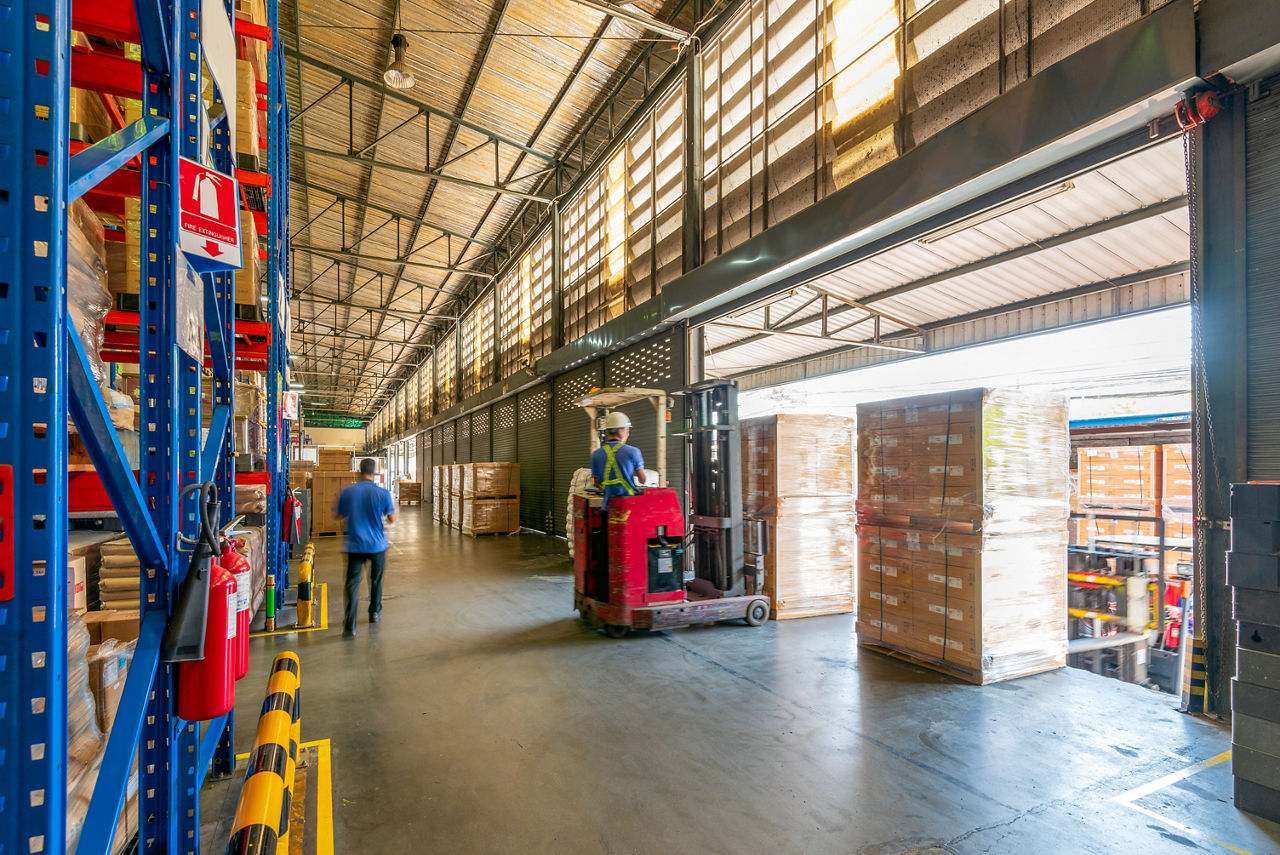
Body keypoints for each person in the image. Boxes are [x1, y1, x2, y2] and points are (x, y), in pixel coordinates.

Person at [335, 458, 397, 639]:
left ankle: (349, 626)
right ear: (375, 472)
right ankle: (374, 613)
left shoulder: (348, 492)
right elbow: (391, 519)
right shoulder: (383, 493)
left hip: (354, 544)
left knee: (352, 584)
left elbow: (338, 514)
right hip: (377, 545)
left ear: (358, 471)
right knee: (376, 580)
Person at [590, 411, 647, 509]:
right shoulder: (633, 451)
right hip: (628, 506)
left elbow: (596, 483)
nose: (628, 433)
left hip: (607, 506)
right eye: (627, 430)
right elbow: (642, 480)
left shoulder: (596, 454)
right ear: (620, 430)